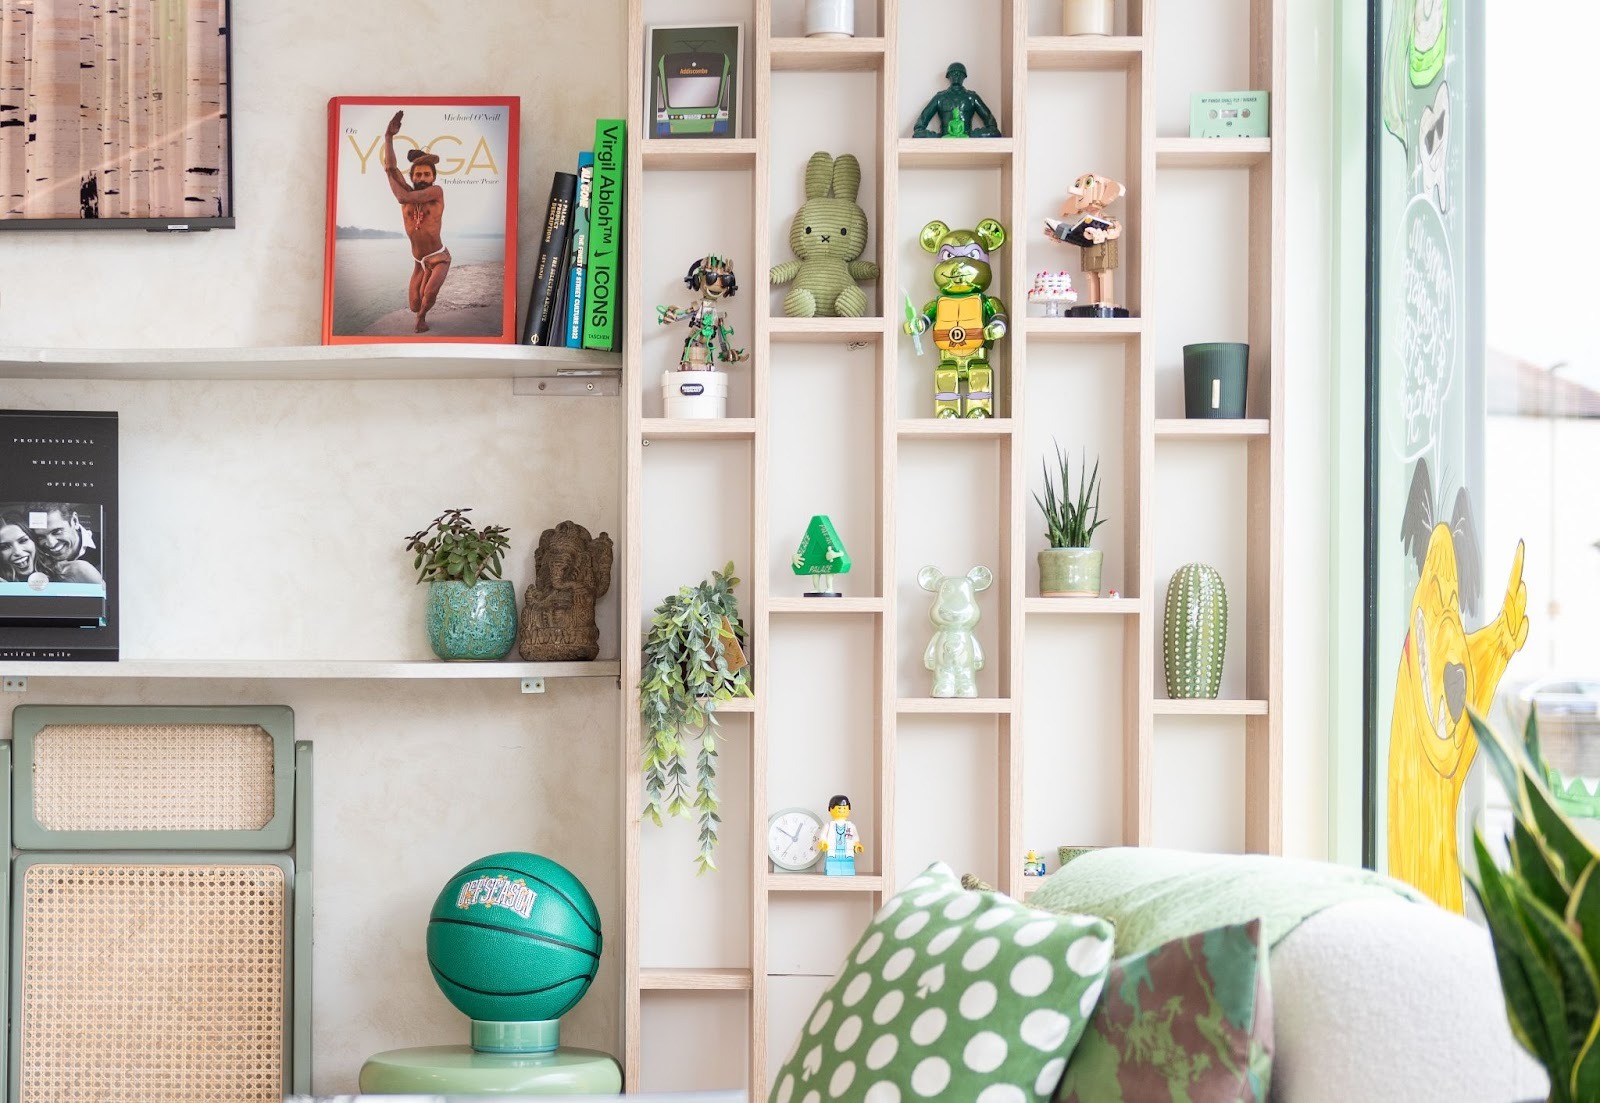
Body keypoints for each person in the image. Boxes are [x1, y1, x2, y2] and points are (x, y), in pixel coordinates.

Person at [382, 110, 451, 333]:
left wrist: (389, 175)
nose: (422, 179)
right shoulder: (408, 197)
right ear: (412, 177)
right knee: (413, 304)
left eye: (426, 175)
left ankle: (421, 319)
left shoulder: (436, 192)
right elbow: (392, 168)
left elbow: (403, 196)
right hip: (418, 260)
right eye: (418, 175)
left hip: (439, 257)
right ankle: (418, 311)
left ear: (433, 177)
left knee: (428, 296)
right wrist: (388, 137)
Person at [25, 503, 104, 585]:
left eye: (57, 532)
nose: (51, 544)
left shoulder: (110, 550)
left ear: (74, 521)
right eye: (41, 537)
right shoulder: (33, 559)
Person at [816, 794, 864, 877]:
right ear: (830, 809)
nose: (842, 810)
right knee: (832, 862)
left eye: (844, 808)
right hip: (832, 849)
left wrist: (857, 844)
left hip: (847, 850)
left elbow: (855, 837)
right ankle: (832, 870)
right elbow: (823, 835)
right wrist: (823, 842)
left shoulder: (851, 826)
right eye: (839, 808)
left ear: (849, 809)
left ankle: (848, 870)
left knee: (848, 861)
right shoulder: (829, 825)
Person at [0, 513, 41, 583]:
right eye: (5, 547)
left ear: (34, 541)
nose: (18, 552)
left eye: (23, 541)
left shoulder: (60, 572)